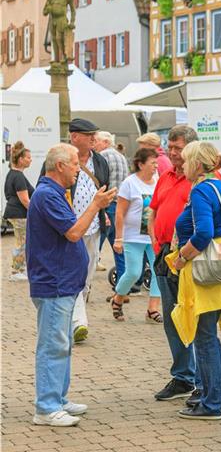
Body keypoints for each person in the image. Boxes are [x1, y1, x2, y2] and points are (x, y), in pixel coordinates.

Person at [28, 144, 115, 426]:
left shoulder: (53, 193)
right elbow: (75, 232)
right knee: (53, 345)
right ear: (60, 166)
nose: (79, 169)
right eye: (75, 164)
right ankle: (46, 407)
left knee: (62, 344)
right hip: (54, 283)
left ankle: (58, 399)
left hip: (63, 283)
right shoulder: (47, 195)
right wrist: (96, 206)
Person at [170, 141, 221, 419]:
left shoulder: (201, 191)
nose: (181, 165)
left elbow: (203, 232)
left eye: (185, 161)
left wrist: (183, 256)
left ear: (197, 163)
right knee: (209, 336)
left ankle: (211, 403)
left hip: (204, 275)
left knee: (203, 338)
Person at [147, 125, 202, 402]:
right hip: (165, 254)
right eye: (170, 147)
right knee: (171, 317)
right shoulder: (166, 175)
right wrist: (156, 242)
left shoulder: (203, 179)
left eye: (177, 148)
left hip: (189, 255)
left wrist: (185, 253)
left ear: (191, 148)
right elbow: (154, 210)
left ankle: (202, 381)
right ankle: (183, 377)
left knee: (195, 319)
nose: (172, 152)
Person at [48, 118, 111, 343]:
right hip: (70, 228)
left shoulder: (100, 161)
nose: (94, 138)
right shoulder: (62, 160)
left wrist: (104, 214)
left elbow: (103, 189)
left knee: (87, 275)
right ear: (75, 137)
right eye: (89, 134)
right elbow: (48, 188)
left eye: (95, 134)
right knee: (73, 274)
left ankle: (74, 317)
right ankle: (78, 322)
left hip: (94, 226)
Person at [108, 148, 162, 323]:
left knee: (158, 272)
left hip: (154, 236)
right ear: (141, 164)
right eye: (152, 163)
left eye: (156, 162)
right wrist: (118, 238)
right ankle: (118, 298)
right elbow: (120, 212)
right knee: (133, 272)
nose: (156, 166)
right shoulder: (130, 183)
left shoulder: (158, 180)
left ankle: (152, 310)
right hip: (133, 236)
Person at [95, 131, 129, 285]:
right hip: (120, 206)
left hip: (107, 206)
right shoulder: (121, 157)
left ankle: (83, 286)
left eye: (97, 141)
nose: (94, 144)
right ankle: (122, 287)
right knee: (119, 248)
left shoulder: (103, 157)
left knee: (95, 246)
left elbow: (101, 182)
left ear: (106, 142)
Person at [4, 141, 34, 282]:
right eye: (28, 157)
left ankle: (20, 269)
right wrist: (36, 212)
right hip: (19, 214)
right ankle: (16, 271)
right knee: (22, 242)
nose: (30, 160)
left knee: (21, 242)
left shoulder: (12, 174)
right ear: (21, 160)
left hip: (15, 213)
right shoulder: (19, 177)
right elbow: (25, 200)